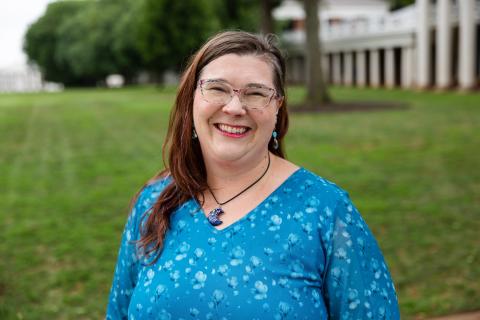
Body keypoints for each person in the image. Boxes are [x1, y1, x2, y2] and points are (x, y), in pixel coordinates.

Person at [106, 31, 400, 319]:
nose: (235, 107)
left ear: (277, 107)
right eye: (217, 88)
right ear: (191, 99)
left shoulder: (325, 211)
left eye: (256, 93)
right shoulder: (154, 203)